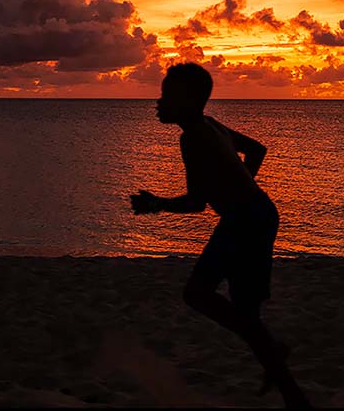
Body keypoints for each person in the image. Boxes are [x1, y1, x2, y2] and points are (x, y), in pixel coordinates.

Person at [130, 63, 311, 409]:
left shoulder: (194, 137)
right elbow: (257, 150)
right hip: (256, 215)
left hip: (246, 221)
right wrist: (243, 184)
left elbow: (197, 203)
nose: (158, 101)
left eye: (166, 94)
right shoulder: (209, 125)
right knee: (246, 315)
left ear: (187, 99)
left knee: (198, 294)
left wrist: (157, 204)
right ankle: (292, 393)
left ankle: (284, 374)